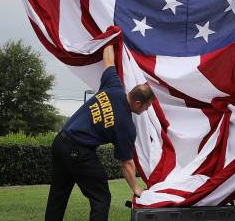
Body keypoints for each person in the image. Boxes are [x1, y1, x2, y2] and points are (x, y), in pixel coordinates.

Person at [45, 44, 154, 221]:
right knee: (101, 197)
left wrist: (110, 39)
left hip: (60, 141)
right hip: (78, 151)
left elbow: (108, 58)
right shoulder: (125, 125)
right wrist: (136, 188)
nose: (147, 110)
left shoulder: (113, 86)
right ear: (139, 103)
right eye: (148, 106)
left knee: (58, 193)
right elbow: (127, 163)